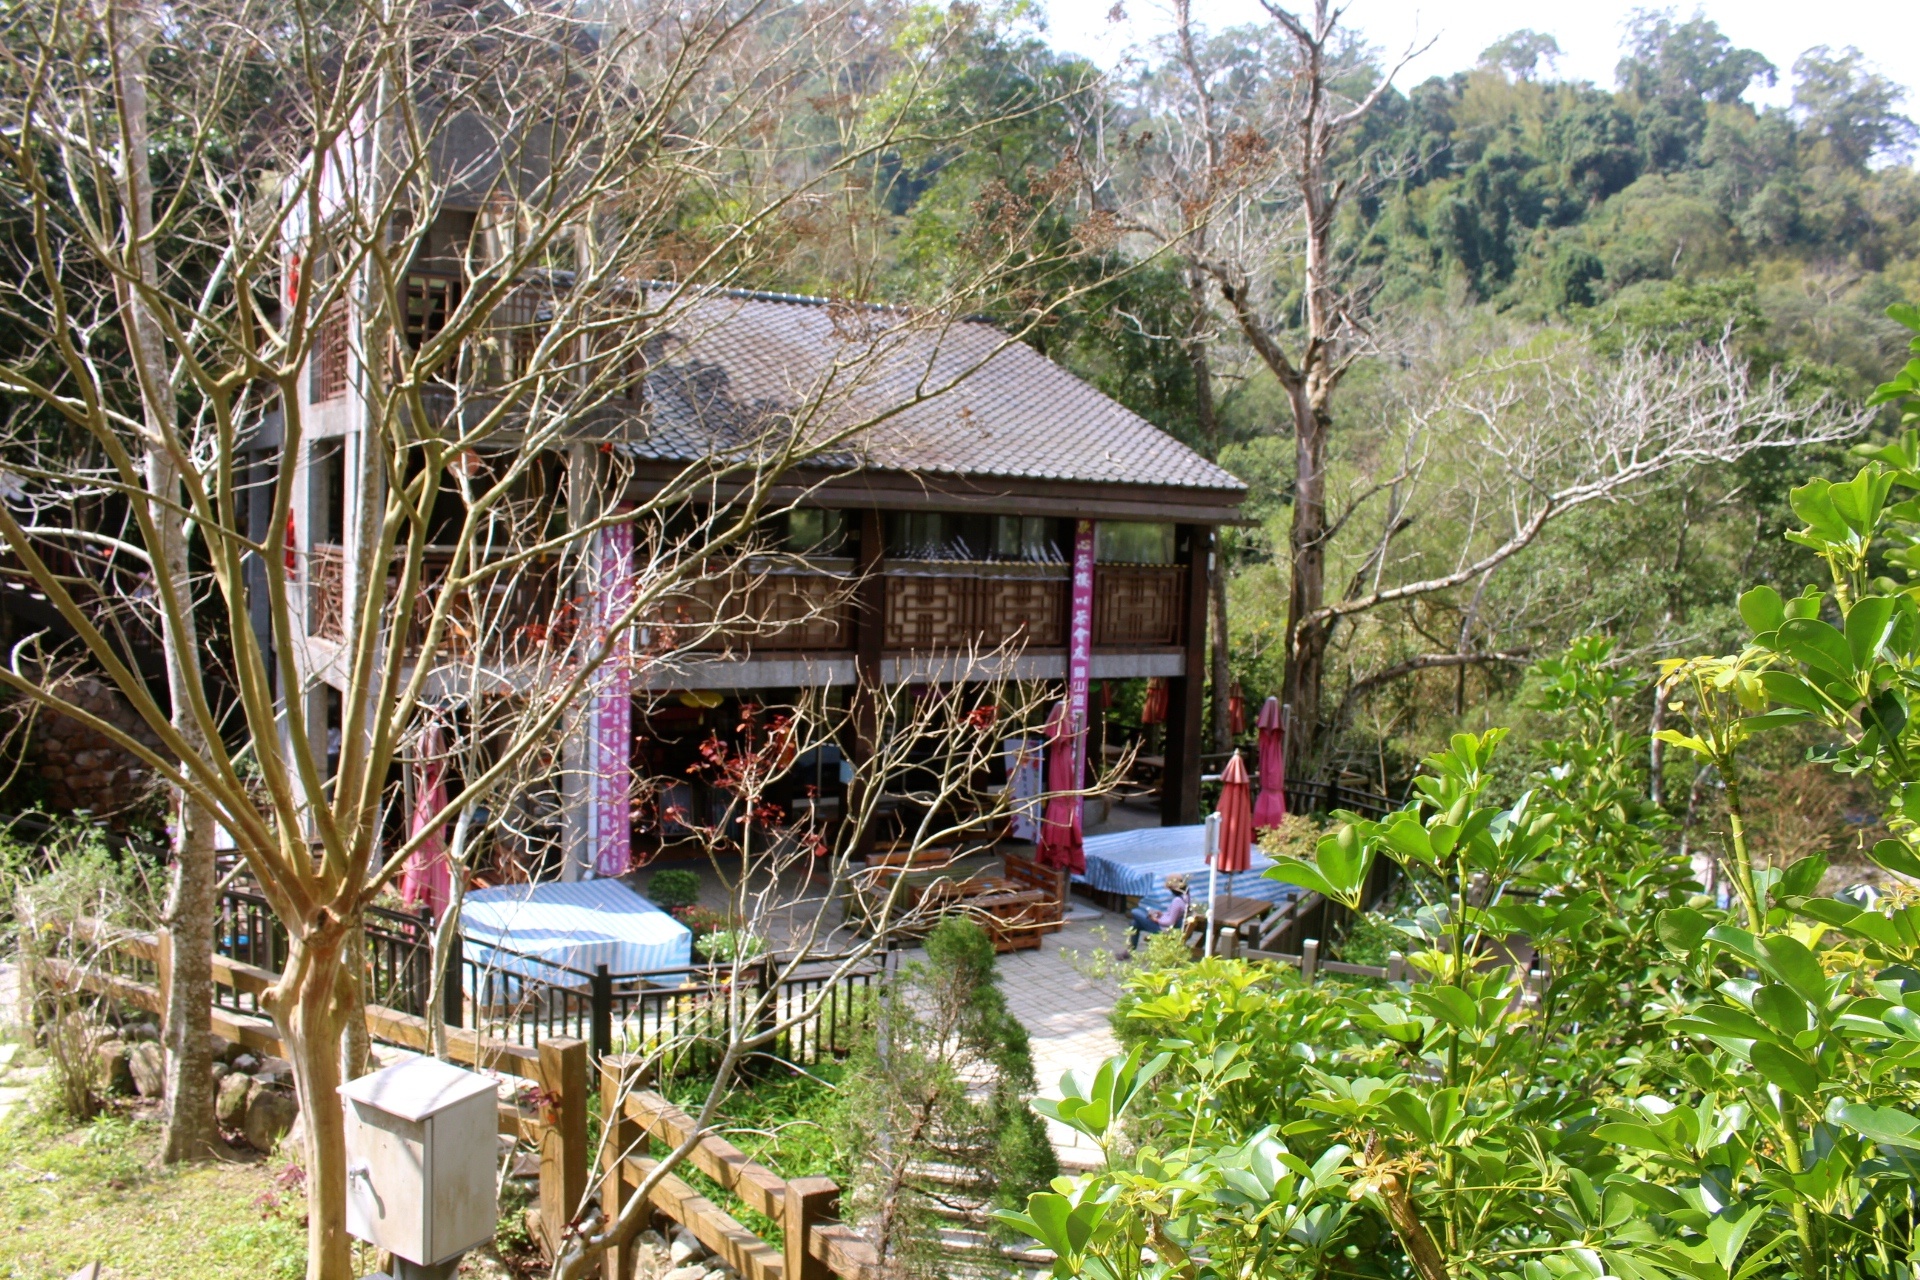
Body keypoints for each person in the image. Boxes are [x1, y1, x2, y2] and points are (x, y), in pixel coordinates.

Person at [1123, 873, 1192, 956]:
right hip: (1169, 926)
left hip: (1164, 929)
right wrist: (1162, 915)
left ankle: (1130, 951)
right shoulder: (1185, 898)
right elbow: (1174, 915)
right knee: (1135, 923)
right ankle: (1129, 951)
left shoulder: (1177, 901)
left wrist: (1156, 919)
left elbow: (1170, 922)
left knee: (1135, 912)